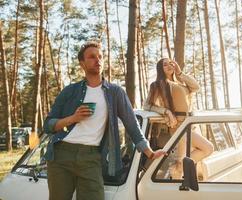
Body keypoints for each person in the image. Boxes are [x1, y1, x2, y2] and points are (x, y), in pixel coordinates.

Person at [43, 41, 166, 200]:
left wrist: (149, 152)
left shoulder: (115, 92)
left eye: (100, 57)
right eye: (92, 57)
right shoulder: (69, 91)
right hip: (61, 155)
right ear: (82, 63)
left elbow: (131, 124)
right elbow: (48, 125)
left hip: (91, 157)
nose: (98, 60)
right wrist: (73, 118)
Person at [143, 58, 213, 179]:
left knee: (184, 159)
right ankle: (177, 169)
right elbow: (147, 105)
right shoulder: (158, 84)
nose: (169, 66)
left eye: (171, 63)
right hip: (179, 127)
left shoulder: (181, 82)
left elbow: (196, 87)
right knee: (208, 148)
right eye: (165, 65)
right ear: (160, 69)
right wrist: (166, 111)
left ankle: (177, 168)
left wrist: (180, 73)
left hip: (190, 125)